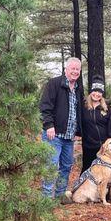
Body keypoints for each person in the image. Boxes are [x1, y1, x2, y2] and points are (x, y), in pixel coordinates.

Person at [39, 57, 83, 199]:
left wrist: (78, 131)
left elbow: (78, 111)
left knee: (66, 166)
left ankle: (59, 196)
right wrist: (49, 126)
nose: (75, 72)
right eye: (73, 69)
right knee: (51, 165)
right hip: (54, 135)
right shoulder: (54, 84)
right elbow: (45, 106)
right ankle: (46, 198)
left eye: (78, 69)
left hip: (69, 137)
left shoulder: (78, 88)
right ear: (66, 69)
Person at [81, 75, 111, 174]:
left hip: (104, 148)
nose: (97, 94)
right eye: (95, 90)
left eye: (100, 92)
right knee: (87, 172)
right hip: (88, 147)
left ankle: (104, 190)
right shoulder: (83, 107)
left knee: (105, 174)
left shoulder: (107, 108)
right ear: (91, 90)